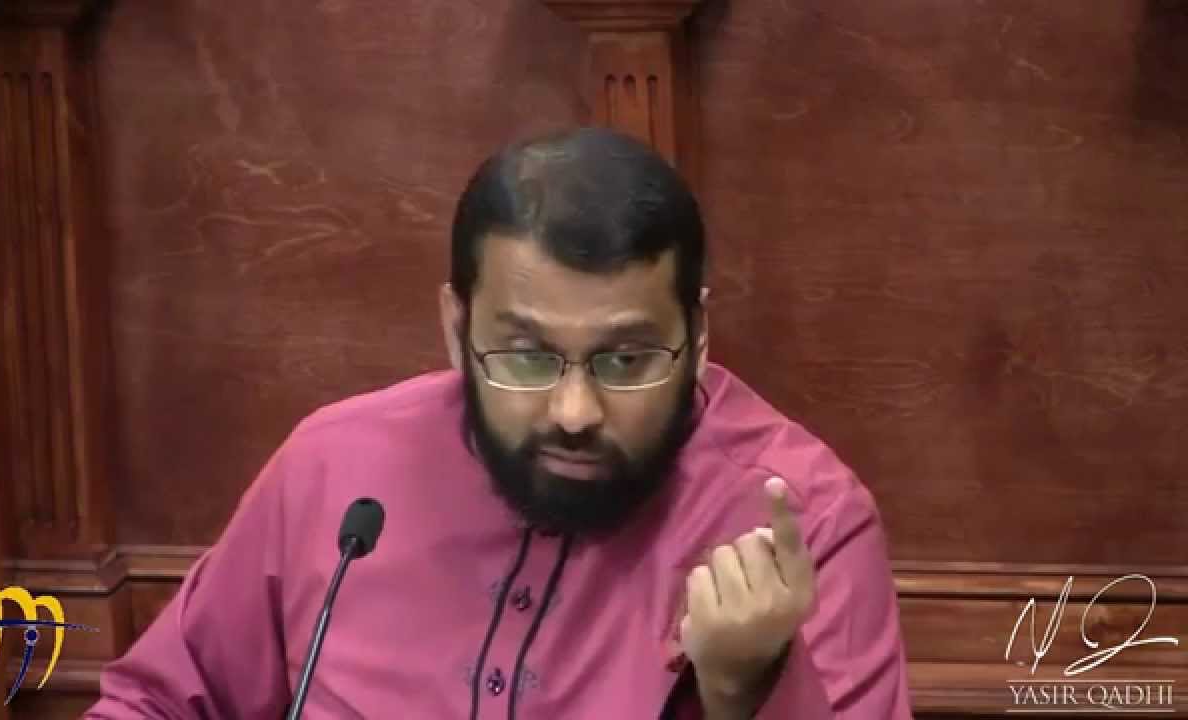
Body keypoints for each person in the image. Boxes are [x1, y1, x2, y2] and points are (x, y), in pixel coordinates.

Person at [84, 127, 912, 719]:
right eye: (526, 357)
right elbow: (152, 700)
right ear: (456, 330)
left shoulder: (803, 524)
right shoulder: (336, 469)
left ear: (697, 340)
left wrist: (749, 691)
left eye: (627, 361)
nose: (575, 412)